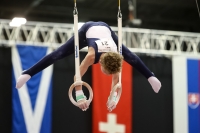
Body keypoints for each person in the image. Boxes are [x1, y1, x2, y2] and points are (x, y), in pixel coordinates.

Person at [16, 21, 161, 112]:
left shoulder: (116, 58)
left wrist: (113, 98)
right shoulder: (92, 56)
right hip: (87, 31)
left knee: (130, 56)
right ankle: (28, 73)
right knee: (58, 54)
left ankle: (151, 77)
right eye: (107, 72)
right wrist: (80, 96)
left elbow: (117, 82)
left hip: (107, 30)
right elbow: (78, 76)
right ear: (101, 63)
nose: (108, 74)